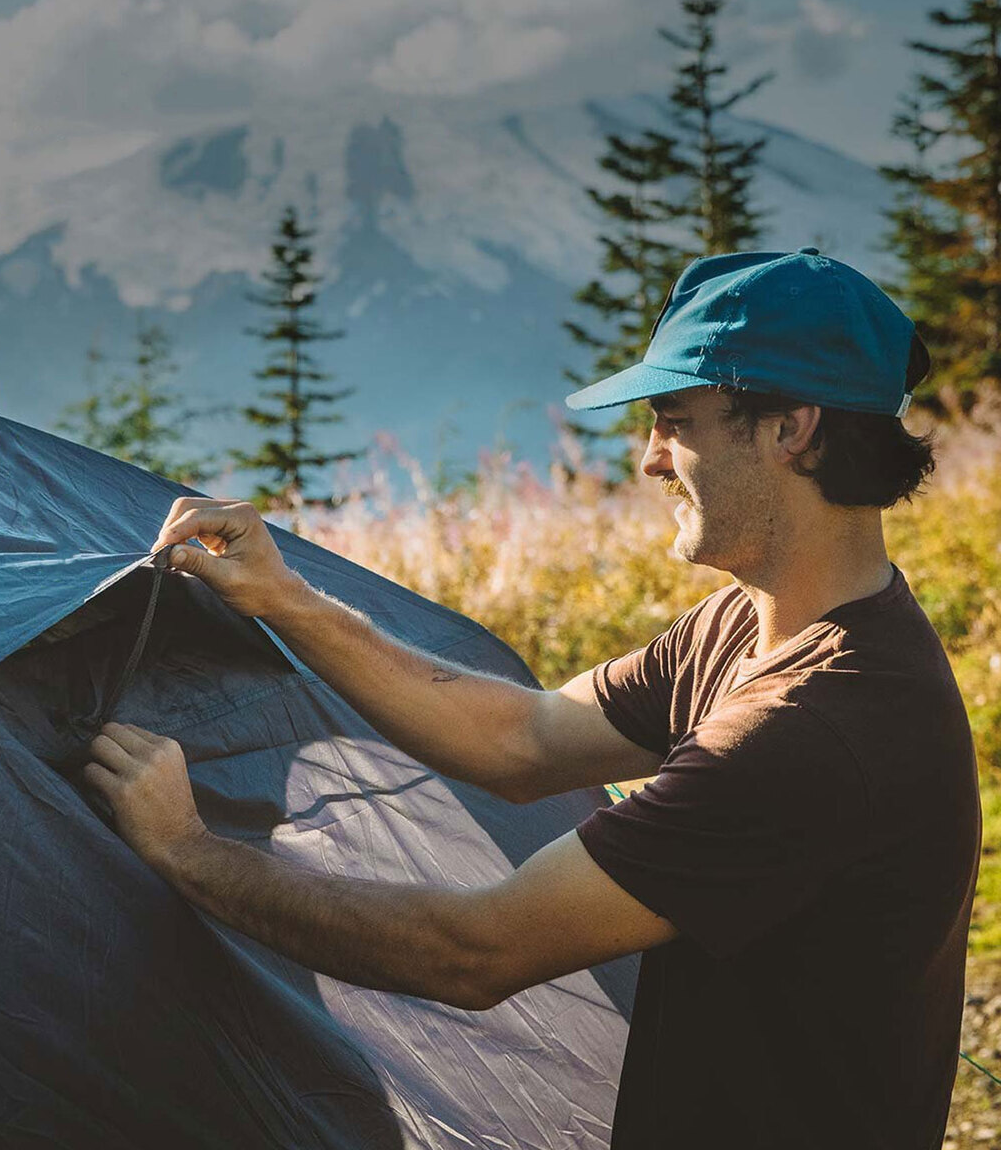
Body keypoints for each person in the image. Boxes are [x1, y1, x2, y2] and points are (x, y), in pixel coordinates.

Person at [82, 249, 981, 1150]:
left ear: (791, 429)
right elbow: (526, 739)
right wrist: (285, 599)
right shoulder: (751, 628)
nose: (650, 461)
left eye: (675, 422)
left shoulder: (818, 723)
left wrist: (188, 852)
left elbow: (475, 950)